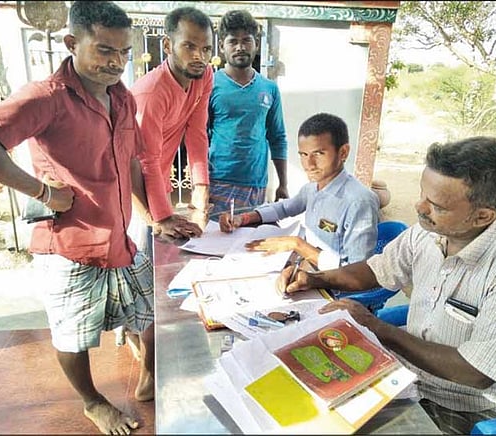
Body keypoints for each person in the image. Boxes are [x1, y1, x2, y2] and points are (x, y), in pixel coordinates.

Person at [0, 2, 156, 434]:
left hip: (118, 238)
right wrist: (41, 191)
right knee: (72, 335)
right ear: (71, 43)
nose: (116, 62)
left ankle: (150, 372)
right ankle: (93, 402)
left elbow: (131, 160)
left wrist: (153, 215)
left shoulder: (121, 96)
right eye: (104, 50)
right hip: (70, 244)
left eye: (123, 52)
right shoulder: (47, 98)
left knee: (148, 308)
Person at [281, 136, 496, 434]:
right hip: (410, 375)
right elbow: (376, 270)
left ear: (482, 216)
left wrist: (375, 326)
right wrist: (315, 279)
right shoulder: (430, 232)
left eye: (436, 205)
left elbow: (477, 373)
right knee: (299, 395)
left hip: (474, 408)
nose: (419, 207)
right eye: (423, 194)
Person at [219, 112, 380, 271]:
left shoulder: (359, 202)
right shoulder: (312, 188)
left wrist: (297, 245)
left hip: (334, 284)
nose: (309, 164)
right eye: (304, 154)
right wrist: (242, 218)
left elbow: (358, 272)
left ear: (343, 152)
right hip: (306, 270)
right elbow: (283, 208)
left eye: (318, 154)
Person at [130, 6, 213, 240]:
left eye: (206, 49)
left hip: (159, 181)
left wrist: (201, 188)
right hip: (131, 192)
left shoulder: (204, 75)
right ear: (167, 45)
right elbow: (146, 160)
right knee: (143, 253)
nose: (199, 57)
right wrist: (161, 218)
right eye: (189, 47)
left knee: (175, 246)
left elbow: (197, 133)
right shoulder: (152, 93)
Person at [207, 9, 289, 216]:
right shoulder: (210, 85)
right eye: (233, 41)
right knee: (216, 234)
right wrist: (200, 184)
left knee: (248, 234)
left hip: (255, 184)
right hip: (217, 181)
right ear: (222, 46)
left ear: (256, 44)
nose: (240, 47)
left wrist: (283, 184)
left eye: (246, 40)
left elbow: (277, 137)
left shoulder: (269, 88)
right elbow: (198, 136)